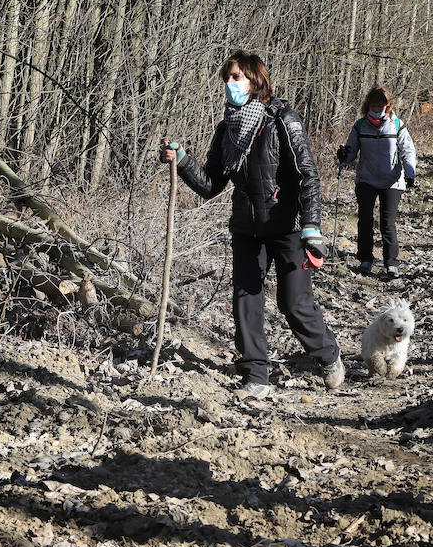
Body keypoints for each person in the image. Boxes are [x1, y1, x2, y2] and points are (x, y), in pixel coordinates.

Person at [160, 51, 343, 398]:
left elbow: (308, 174)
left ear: (256, 81)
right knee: (246, 300)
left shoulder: (282, 120)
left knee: (295, 303)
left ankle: (328, 355)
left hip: (288, 226)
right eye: (227, 79)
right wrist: (182, 160)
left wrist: (312, 226)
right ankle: (256, 375)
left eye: (236, 78)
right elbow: (211, 184)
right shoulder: (227, 129)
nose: (229, 85)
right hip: (247, 229)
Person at [335, 87, 417, 278]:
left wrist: (410, 173)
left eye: (380, 105)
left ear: (387, 106)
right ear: (367, 105)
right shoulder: (360, 125)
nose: (376, 108)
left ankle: (391, 263)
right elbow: (351, 152)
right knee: (365, 219)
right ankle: (365, 259)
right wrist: (344, 155)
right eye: (373, 105)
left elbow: (408, 150)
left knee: (387, 223)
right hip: (366, 178)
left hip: (392, 180)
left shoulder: (397, 125)